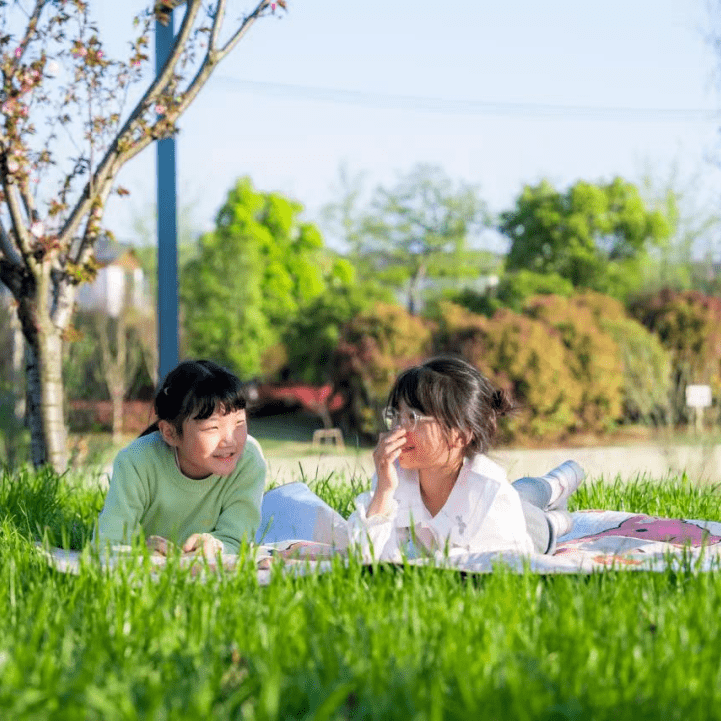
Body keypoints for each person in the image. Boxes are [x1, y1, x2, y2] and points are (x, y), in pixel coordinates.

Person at [347, 356, 583, 562]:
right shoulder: (394, 475)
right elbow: (366, 557)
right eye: (396, 415)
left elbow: (499, 563)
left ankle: (560, 486)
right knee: (521, 493)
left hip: (526, 528)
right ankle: (555, 491)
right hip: (507, 499)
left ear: (459, 436)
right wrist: (384, 492)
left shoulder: (490, 491)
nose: (398, 428)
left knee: (538, 517)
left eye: (413, 417)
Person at [94, 359, 266, 558]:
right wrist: (140, 554)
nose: (230, 441)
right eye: (212, 427)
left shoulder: (248, 459)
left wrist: (216, 547)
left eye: (239, 423)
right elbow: (107, 543)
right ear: (170, 433)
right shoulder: (136, 462)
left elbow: (236, 540)